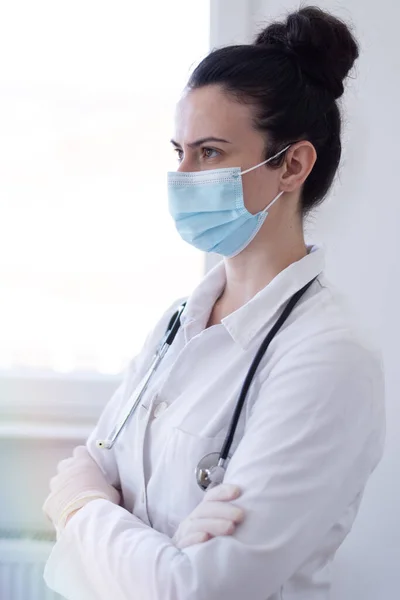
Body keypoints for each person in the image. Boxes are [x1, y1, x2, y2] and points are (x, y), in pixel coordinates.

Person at [42, 6, 385, 600]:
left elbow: (198, 591)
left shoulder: (329, 358)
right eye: (178, 150)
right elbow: (91, 473)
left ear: (292, 165)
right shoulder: (178, 322)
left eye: (210, 153)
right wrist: (150, 541)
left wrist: (78, 509)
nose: (181, 175)